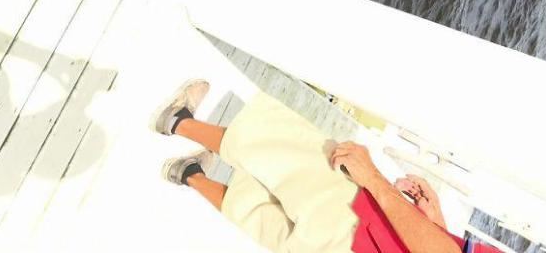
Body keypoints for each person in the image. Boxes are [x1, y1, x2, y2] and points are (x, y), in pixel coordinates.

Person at [152, 79, 500, 253]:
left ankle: (177, 121)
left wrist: (375, 180)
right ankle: (188, 175)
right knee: (266, 222)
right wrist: (437, 227)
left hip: (362, 230)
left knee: (281, 150)